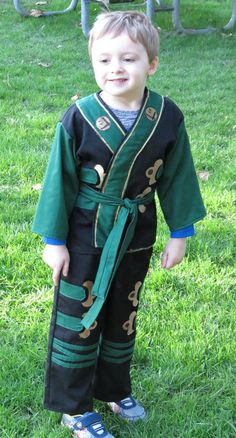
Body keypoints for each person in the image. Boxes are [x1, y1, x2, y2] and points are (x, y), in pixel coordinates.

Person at [32, 11, 206, 438]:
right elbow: (59, 181)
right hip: (85, 236)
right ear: (93, 63)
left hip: (135, 233)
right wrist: (54, 241)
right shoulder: (79, 118)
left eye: (128, 59)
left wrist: (180, 232)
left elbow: (178, 176)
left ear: (152, 64)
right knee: (79, 317)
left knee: (123, 312)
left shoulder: (166, 116)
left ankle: (114, 387)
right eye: (105, 60)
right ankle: (74, 407)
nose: (116, 69)